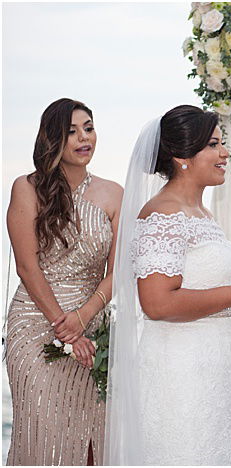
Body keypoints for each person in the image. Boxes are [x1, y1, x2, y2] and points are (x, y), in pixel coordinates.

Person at [104, 105, 231, 465]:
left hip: (217, 369)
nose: (225, 153)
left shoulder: (200, 214)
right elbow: (157, 303)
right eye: (214, 145)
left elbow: (202, 292)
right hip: (180, 372)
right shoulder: (162, 215)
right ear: (183, 158)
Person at [5, 98, 123, 465]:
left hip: (93, 328)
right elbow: (27, 267)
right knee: (42, 436)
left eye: (88, 128)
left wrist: (84, 318)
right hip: (36, 326)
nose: (83, 138)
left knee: (91, 441)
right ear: (52, 139)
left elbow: (116, 273)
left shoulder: (114, 194)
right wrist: (65, 326)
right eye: (71, 132)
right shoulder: (27, 188)